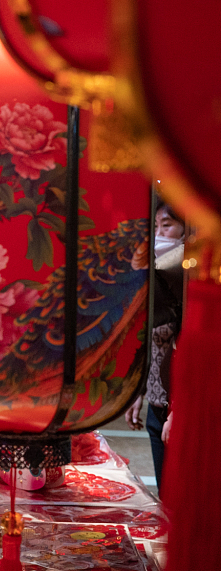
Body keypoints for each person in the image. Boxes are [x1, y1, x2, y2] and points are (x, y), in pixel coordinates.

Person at [124, 202, 185, 494]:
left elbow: (185, 350)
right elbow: (148, 339)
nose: (159, 233)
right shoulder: (154, 275)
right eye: (156, 226)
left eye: (168, 226)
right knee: (164, 495)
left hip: (179, 406)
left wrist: (178, 411)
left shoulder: (189, 280)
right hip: (157, 402)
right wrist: (139, 389)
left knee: (179, 495)